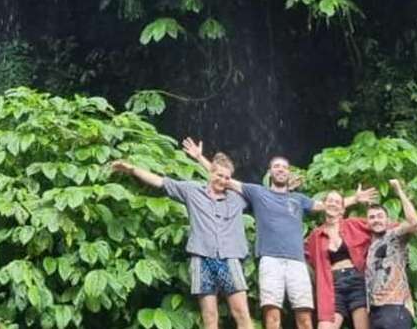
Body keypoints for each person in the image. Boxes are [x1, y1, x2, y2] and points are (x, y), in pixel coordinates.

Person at [183, 139, 376, 329]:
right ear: (270, 172)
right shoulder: (257, 193)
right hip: (270, 260)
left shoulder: (299, 199)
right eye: (276, 166)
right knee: (272, 316)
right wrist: (200, 157)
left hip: (297, 261)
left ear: (289, 173)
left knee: (305, 317)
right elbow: (223, 178)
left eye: (284, 167)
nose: (281, 169)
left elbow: (329, 207)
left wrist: (354, 199)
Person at [110, 149, 254, 329]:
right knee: (209, 316)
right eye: (219, 175)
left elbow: (262, 195)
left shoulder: (237, 199)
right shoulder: (192, 191)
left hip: (230, 257)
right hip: (202, 258)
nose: (223, 181)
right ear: (210, 173)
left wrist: (202, 159)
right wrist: (132, 169)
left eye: (227, 178)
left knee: (241, 313)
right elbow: (160, 182)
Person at [363, 178, 417, 329]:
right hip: (375, 312)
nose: (376, 220)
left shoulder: (395, 236)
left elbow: (412, 222)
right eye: (372, 217)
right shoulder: (371, 247)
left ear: (388, 220)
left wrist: (399, 190)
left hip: (395, 307)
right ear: (367, 222)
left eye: (380, 216)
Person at [304, 190, 375, 329]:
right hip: (332, 285)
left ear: (343, 209)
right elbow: (301, 252)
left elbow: (380, 225)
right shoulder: (315, 236)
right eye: (330, 201)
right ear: (323, 205)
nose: (333, 204)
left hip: (356, 280)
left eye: (337, 202)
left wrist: (413, 226)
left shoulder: (353, 225)